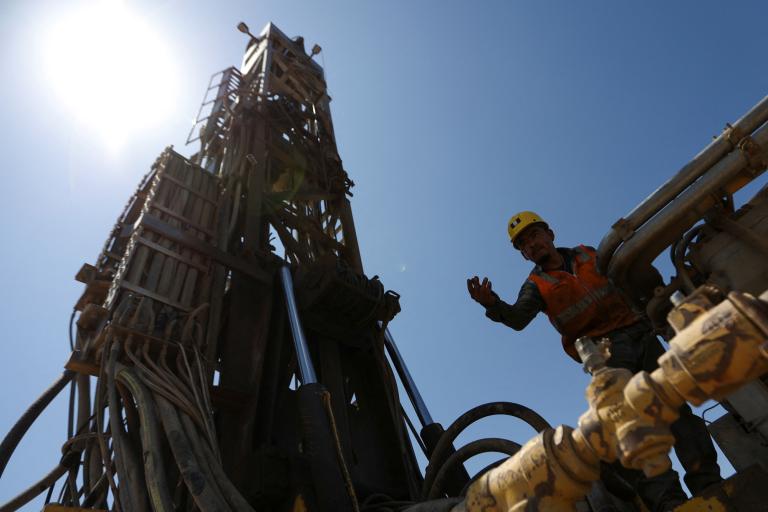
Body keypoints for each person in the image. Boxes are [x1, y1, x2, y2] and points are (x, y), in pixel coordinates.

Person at [466, 211, 721, 512]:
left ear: (549, 233)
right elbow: (518, 318)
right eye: (523, 243)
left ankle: (711, 488)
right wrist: (493, 304)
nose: (531, 245)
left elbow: (624, 272)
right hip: (607, 353)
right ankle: (669, 503)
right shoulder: (536, 285)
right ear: (523, 254)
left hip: (641, 334)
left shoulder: (587, 253)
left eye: (534, 235)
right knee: (635, 427)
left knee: (678, 412)